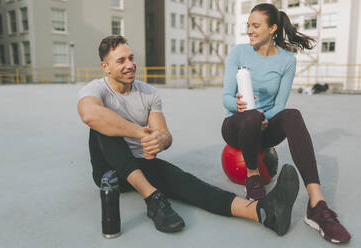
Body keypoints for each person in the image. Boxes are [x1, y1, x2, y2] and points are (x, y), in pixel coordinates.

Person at [77, 35, 300, 236]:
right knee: (102, 126)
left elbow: (165, 135)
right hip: (109, 172)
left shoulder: (148, 93)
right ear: (105, 67)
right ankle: (152, 198)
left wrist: (159, 140)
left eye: (131, 58)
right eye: (121, 61)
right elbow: (89, 114)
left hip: (140, 166)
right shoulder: (96, 89)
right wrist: (140, 132)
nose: (130, 65)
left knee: (190, 184)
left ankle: (264, 212)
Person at [222, 3, 351, 244]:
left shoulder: (286, 61)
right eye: (248, 25)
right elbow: (226, 98)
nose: (249, 30)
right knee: (250, 116)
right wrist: (237, 104)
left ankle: (317, 205)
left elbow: (280, 104)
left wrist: (265, 119)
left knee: (293, 115)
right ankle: (253, 177)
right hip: (236, 126)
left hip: (265, 127)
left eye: (255, 25)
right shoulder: (238, 52)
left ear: (272, 28)